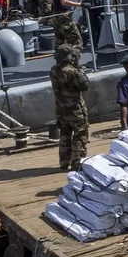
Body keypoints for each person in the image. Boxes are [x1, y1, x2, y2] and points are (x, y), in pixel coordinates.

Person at [51, 20, 89, 171]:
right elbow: (84, 85)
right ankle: (77, 162)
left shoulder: (54, 70)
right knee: (80, 135)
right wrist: (81, 72)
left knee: (65, 135)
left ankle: (64, 162)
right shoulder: (72, 72)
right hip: (75, 110)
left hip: (61, 110)